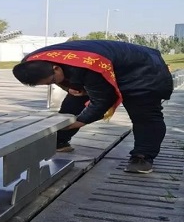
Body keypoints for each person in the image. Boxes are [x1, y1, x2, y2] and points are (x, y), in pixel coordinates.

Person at [12, 40, 173, 174]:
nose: (52, 84)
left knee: (144, 114)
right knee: (72, 102)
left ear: (56, 68)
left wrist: (80, 121)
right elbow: (65, 81)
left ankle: (142, 156)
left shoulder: (88, 66)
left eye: (52, 81)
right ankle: (60, 141)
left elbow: (103, 100)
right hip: (103, 67)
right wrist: (68, 87)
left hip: (142, 71)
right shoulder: (31, 62)